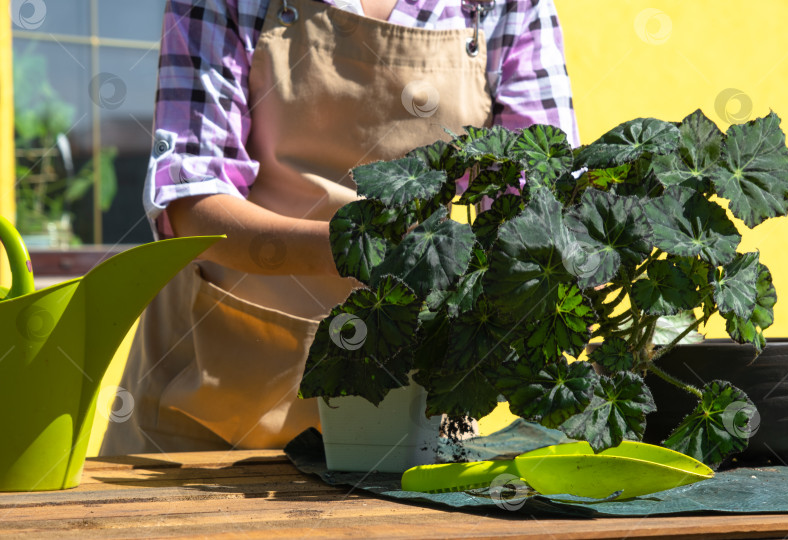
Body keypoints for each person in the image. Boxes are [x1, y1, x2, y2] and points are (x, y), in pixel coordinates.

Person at [100, 0, 579, 455]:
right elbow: (192, 203)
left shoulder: (507, 6)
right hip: (207, 411)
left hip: (411, 405)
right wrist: (362, 250)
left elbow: (539, 203)